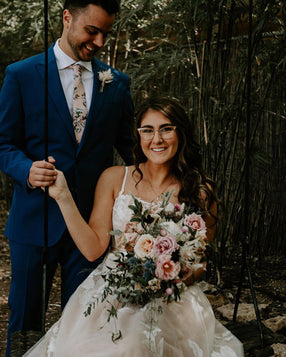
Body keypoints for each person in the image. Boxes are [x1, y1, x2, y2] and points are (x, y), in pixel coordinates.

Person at [24, 96, 244, 356]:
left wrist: (182, 274)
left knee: (142, 341)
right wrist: (63, 196)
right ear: (138, 136)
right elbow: (93, 249)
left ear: (181, 133)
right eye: (147, 130)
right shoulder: (114, 178)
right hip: (112, 292)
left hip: (172, 297)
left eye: (166, 128)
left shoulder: (201, 191)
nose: (157, 139)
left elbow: (201, 261)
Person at [0, 0, 134, 355]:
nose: (100, 42)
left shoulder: (116, 84)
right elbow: (3, 143)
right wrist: (25, 169)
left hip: (91, 228)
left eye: (106, 33)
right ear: (66, 17)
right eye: (92, 30)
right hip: (33, 222)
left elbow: (134, 150)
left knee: (86, 326)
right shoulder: (22, 74)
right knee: (26, 325)